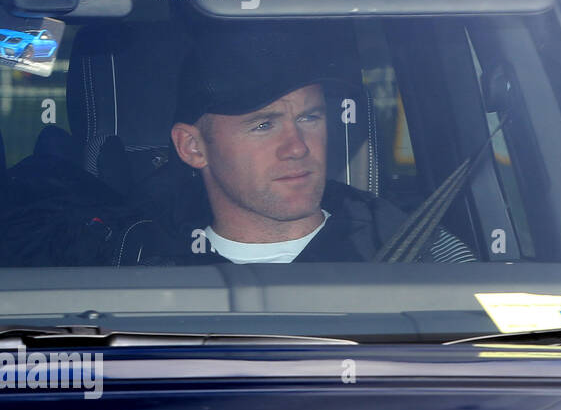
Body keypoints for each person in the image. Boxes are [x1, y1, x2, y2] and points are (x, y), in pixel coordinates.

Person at [117, 27, 475, 266]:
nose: (297, 148)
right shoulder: (139, 265)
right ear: (193, 147)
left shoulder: (416, 255)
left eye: (309, 118)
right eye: (263, 125)